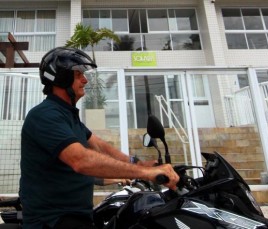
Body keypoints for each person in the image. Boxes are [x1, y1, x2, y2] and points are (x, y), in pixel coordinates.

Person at [19, 47, 179, 229]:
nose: (85, 80)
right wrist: (145, 173)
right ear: (60, 77)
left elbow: (99, 146)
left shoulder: (68, 116)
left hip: (75, 215)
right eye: (78, 75)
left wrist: (138, 163)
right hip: (53, 220)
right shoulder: (45, 115)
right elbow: (81, 160)